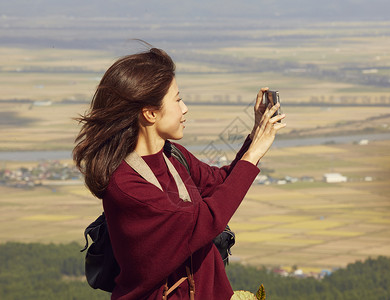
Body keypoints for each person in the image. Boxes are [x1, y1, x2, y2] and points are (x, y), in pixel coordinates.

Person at [73, 45, 286, 300]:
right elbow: (202, 222)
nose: (184, 108)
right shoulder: (126, 186)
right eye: (177, 99)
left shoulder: (173, 155)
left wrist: (255, 139)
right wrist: (252, 157)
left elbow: (220, 185)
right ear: (150, 113)